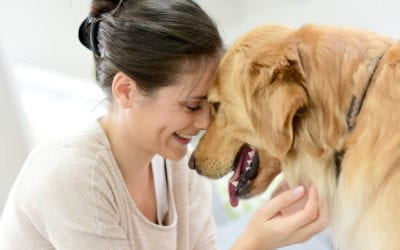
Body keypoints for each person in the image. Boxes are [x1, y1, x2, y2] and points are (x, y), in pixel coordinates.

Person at [0, 0, 328, 249]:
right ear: (126, 91)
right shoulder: (70, 174)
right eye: (191, 105)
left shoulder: (180, 169)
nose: (204, 123)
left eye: (212, 105)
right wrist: (253, 242)